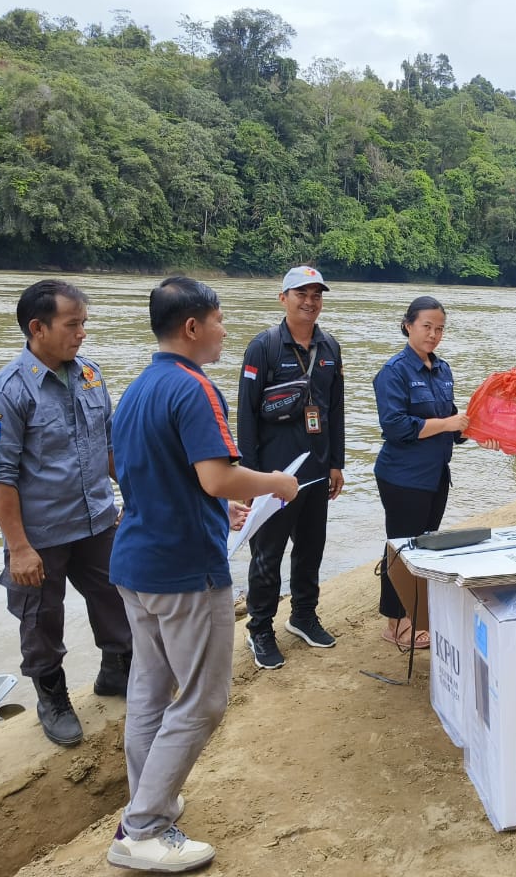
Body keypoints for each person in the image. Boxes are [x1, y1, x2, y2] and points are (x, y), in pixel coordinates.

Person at [107, 277, 298, 871]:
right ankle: (142, 829)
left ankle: (148, 800)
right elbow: (218, 474)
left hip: (134, 564)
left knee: (148, 693)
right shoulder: (194, 388)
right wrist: (274, 484)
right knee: (202, 701)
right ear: (191, 327)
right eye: (218, 320)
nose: (223, 331)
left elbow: (141, 470)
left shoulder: (138, 387)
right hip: (184, 571)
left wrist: (221, 505)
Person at [0, 279, 132, 747]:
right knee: (41, 617)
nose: (82, 333)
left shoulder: (90, 375)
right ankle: (52, 696)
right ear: (37, 328)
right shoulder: (4, 393)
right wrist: (19, 548)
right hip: (41, 532)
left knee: (116, 595)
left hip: (97, 519)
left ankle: (115, 670)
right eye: (72, 324)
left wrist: (137, 498)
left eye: (84, 323)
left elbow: (109, 448)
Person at [238, 265, 345, 668]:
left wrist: (337, 463)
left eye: (316, 294)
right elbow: (246, 416)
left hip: (317, 472)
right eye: (301, 293)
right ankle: (260, 629)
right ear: (283, 298)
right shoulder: (263, 347)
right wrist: (246, 477)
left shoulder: (330, 347)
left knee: (310, 548)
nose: (310, 301)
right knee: (267, 555)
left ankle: (303, 615)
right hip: (271, 475)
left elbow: (335, 410)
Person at [372, 296, 468, 649]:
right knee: (400, 548)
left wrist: (473, 427)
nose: (433, 334)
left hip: (435, 475)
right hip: (402, 477)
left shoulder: (441, 370)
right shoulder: (394, 371)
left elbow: (453, 421)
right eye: (427, 326)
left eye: (439, 328)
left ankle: (415, 615)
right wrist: (447, 423)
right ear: (409, 325)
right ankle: (395, 623)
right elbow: (396, 426)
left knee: (423, 546)